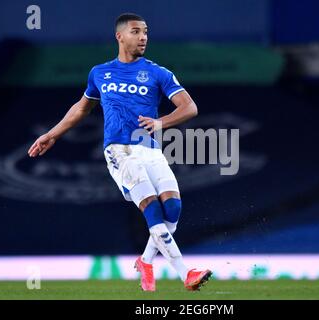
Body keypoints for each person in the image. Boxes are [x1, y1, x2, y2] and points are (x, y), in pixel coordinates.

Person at [28, 13, 212, 292]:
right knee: (151, 208)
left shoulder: (158, 72)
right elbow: (81, 108)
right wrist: (52, 134)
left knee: (172, 208)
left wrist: (161, 122)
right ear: (120, 36)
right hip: (120, 150)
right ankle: (186, 273)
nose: (143, 37)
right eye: (137, 31)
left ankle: (146, 261)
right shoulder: (100, 73)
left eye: (146, 32)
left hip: (150, 149)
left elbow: (190, 107)